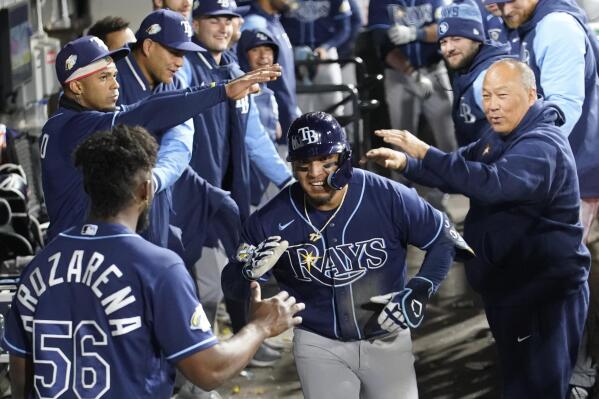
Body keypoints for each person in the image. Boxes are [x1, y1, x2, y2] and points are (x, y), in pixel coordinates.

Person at [1, 124, 304, 398]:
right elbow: (209, 370)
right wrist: (261, 326)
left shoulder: (40, 265)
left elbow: (20, 371)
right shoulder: (158, 268)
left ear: (88, 188)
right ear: (147, 190)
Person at [365, 59, 590, 398]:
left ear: (531, 95)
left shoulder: (541, 145)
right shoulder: (501, 133)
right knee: (519, 384)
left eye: (502, 94)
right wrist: (409, 164)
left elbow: (490, 183)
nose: (492, 106)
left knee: (539, 390)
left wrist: (423, 150)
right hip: (513, 290)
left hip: (542, 296)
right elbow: (459, 167)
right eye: (486, 96)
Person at [222, 111, 470, 399]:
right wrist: (245, 271)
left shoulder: (387, 195)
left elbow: (445, 239)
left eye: (325, 163)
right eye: (304, 165)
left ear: (344, 161)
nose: (315, 174)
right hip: (318, 344)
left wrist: (420, 289)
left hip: (386, 338)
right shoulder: (269, 219)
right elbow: (232, 286)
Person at [40, 35, 279, 242]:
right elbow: (147, 112)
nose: (115, 85)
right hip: (73, 251)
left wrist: (224, 87)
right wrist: (223, 92)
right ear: (77, 87)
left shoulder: (76, 118)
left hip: (80, 247)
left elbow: (148, 105)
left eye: (114, 75)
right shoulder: (72, 125)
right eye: (103, 78)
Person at [485, 0, 599, 395]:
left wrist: (521, 166)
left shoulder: (555, 27)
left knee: (568, 279)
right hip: (569, 173)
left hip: (579, 176)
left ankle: (576, 375)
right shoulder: (534, 25)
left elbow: (562, 110)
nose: (494, 6)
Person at [367, 0, 457, 153]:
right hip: (398, 75)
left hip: (434, 70)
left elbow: (445, 29)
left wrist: (416, 33)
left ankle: (455, 175)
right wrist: (412, 74)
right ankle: (400, 178)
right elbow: (382, 45)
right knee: (402, 142)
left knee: (449, 137)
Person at [438, 0, 512, 146]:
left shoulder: (488, 79)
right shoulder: (466, 69)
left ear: (477, 39)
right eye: (443, 42)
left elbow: (521, 137)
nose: (449, 48)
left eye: (456, 39)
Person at [237, 29, 284, 206]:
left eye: (269, 50)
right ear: (243, 55)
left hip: (268, 180)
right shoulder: (240, 93)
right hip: (249, 185)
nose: (264, 56)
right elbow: (254, 144)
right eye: (255, 50)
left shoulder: (268, 92)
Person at [280, 0, 352, 114]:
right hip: (293, 56)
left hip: (326, 56)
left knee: (334, 106)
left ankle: (335, 132)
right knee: (299, 109)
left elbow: (344, 29)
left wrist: (326, 47)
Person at [242, 0, 302, 135]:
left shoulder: (273, 20)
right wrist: (269, 115)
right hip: (270, 123)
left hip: (283, 117)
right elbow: (248, 73)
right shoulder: (254, 23)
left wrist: (292, 111)